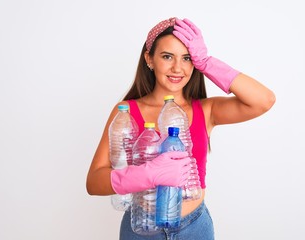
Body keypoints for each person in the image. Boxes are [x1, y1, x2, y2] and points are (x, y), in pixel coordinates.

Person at [86, 17, 275, 240]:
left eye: (187, 58)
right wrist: (147, 174)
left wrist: (206, 62)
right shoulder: (126, 112)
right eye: (167, 56)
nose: (178, 68)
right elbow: (93, 182)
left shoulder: (206, 110)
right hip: (141, 228)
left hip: (194, 228)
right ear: (149, 59)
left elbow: (264, 100)